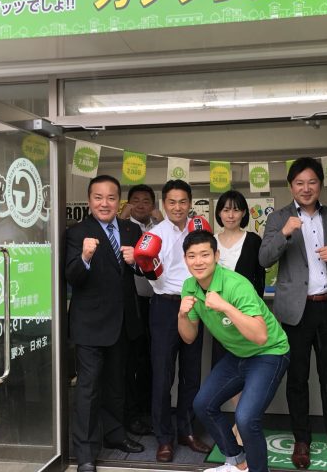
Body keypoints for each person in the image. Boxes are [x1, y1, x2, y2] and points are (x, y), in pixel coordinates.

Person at [259, 157, 327, 467]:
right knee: (297, 379)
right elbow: (264, 259)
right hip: (295, 312)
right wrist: (284, 233)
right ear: (291, 186)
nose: (306, 188)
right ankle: (301, 439)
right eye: (299, 183)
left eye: (311, 182)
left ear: (320, 184)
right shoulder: (278, 218)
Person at [179, 230, 290, 472]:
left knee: (246, 419)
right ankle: (238, 462)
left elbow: (260, 336)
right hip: (238, 355)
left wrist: (225, 307)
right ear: (185, 259)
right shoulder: (189, 286)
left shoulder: (236, 285)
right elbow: (188, 337)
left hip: (269, 352)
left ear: (216, 256)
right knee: (203, 404)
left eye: (205, 254)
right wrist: (182, 315)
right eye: (192, 256)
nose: (198, 261)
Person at [65, 175, 145, 472]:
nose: (104, 203)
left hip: (122, 322)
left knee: (116, 385)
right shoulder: (76, 233)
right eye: (98, 197)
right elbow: (71, 277)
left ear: (118, 201)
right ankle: (85, 452)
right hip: (90, 325)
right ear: (89, 201)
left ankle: (114, 434)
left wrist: (137, 262)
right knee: (88, 389)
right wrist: (85, 257)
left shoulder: (131, 230)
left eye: (111, 198)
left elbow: (148, 272)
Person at [147, 179, 212, 462]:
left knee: (191, 372)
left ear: (190, 203)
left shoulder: (199, 231)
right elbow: (152, 276)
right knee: (162, 375)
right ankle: (164, 438)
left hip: (195, 304)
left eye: (182, 201)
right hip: (165, 306)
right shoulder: (154, 234)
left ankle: (186, 430)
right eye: (172, 202)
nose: (177, 207)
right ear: (164, 204)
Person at [213, 190, 267, 444]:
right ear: (219, 213)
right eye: (226, 209)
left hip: (246, 317)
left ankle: (243, 423)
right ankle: (239, 422)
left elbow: (259, 279)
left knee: (248, 369)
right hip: (218, 319)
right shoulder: (211, 242)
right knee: (229, 370)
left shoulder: (253, 240)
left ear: (244, 213)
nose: (231, 215)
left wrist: (253, 312)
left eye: (236, 209)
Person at [120, 184, 163, 435]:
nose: (140, 205)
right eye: (135, 200)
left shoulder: (159, 228)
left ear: (153, 205)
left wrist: (162, 220)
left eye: (146, 201)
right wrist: (122, 217)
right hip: (133, 302)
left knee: (151, 357)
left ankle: (148, 408)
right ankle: (133, 410)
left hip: (156, 301)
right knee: (133, 358)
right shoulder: (124, 229)